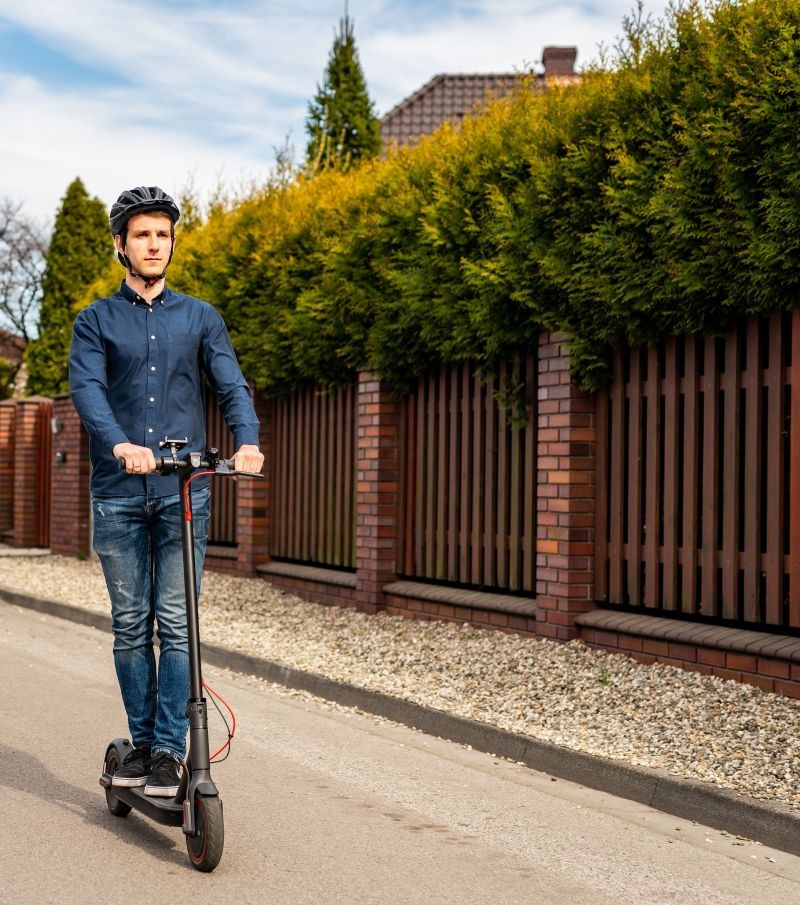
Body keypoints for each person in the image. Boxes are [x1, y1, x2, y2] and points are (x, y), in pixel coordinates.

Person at [69, 186, 263, 797]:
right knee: (132, 625)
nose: (154, 244)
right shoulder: (95, 320)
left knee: (176, 625)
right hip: (120, 490)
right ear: (121, 245)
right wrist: (120, 443)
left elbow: (229, 383)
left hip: (184, 491)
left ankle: (169, 757)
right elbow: (88, 392)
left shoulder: (200, 317)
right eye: (142, 235)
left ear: (171, 243)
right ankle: (143, 741)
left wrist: (248, 441)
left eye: (163, 235)